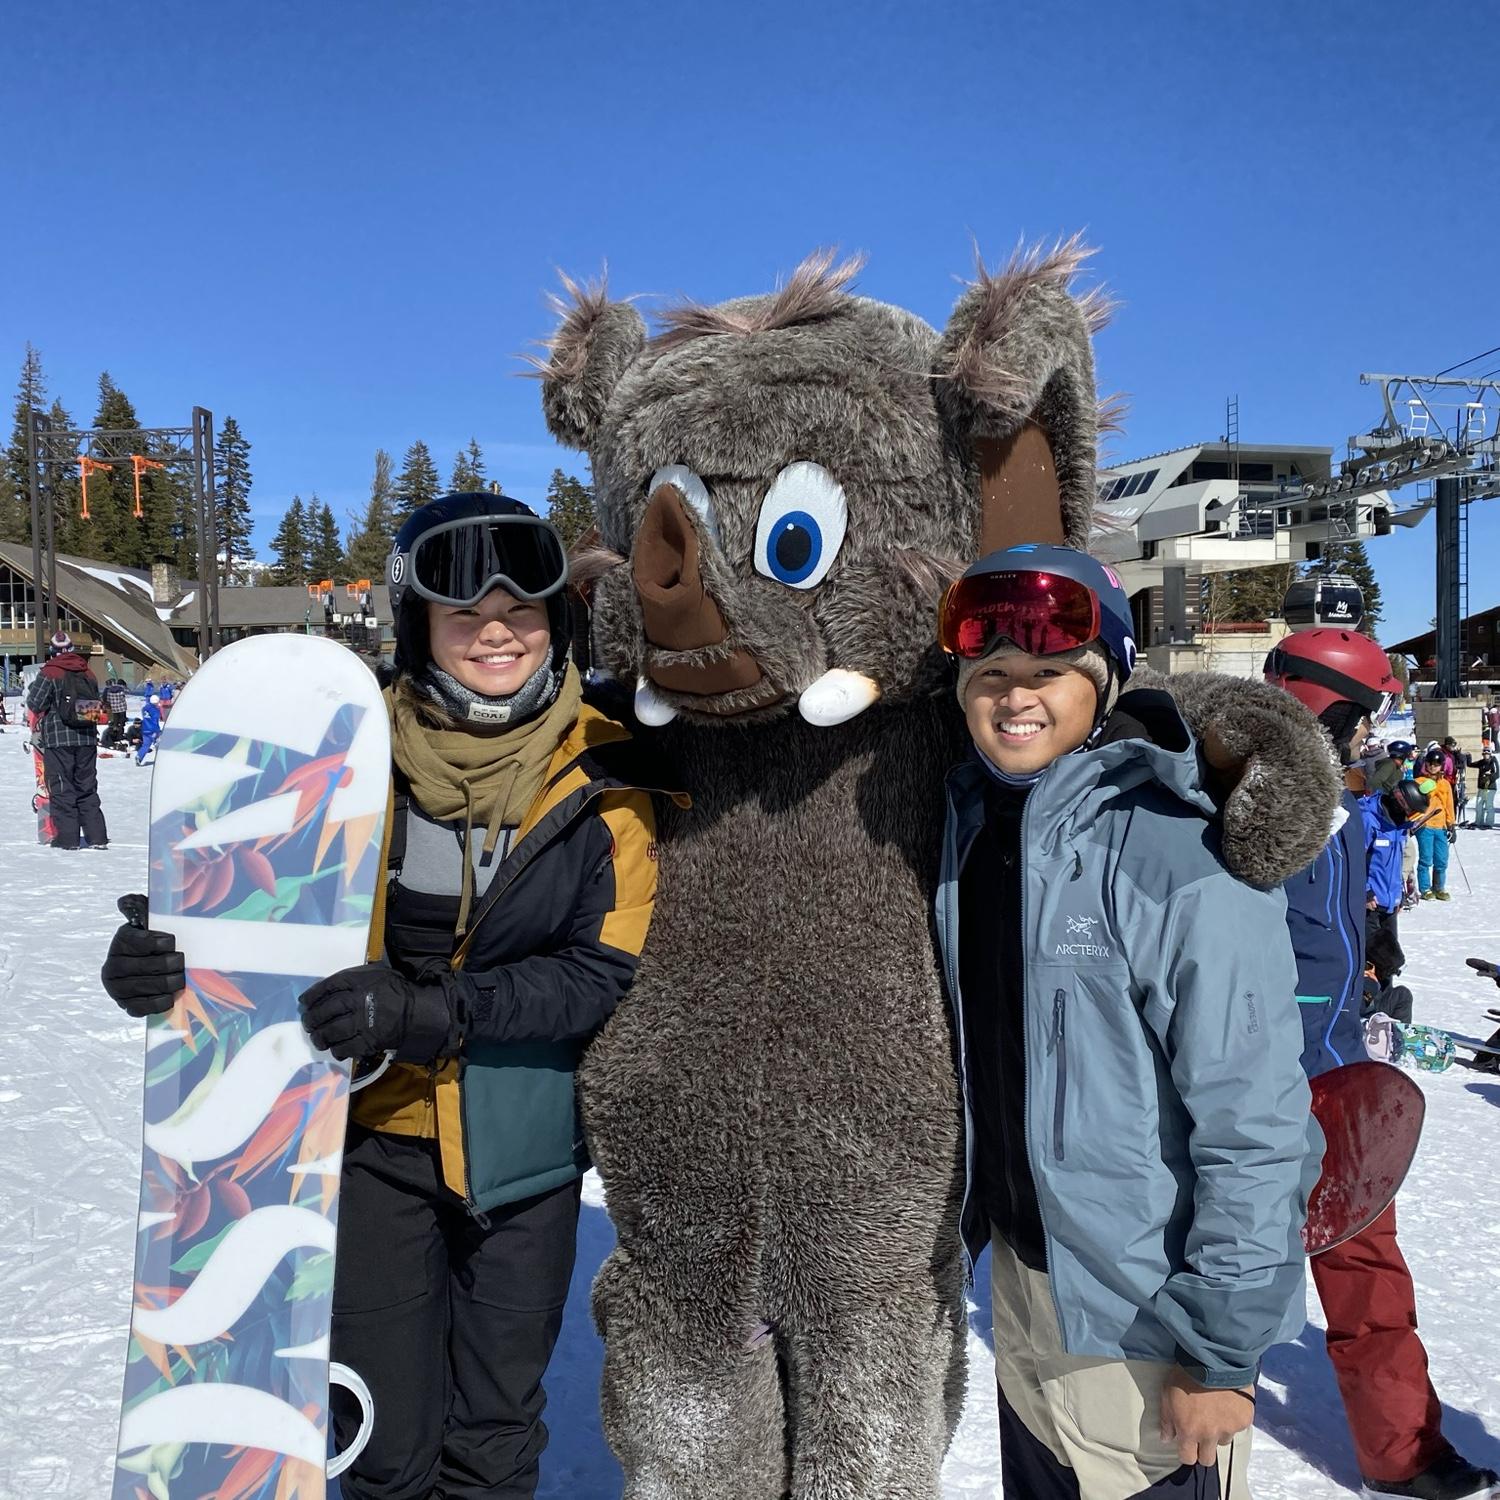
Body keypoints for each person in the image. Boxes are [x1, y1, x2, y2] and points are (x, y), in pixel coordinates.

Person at [99, 492, 664, 1499]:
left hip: (522, 1156)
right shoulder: (336, 761)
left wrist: (433, 1013)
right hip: (362, 1146)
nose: (497, 633)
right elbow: (263, 927)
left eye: (521, 613)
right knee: (381, 1441)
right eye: (465, 614)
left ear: (555, 624)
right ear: (418, 627)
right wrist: (172, 962)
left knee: (493, 1436)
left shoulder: (607, 776)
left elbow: (598, 973)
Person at [937, 545, 1320, 1500]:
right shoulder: (972, 831)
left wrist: (1221, 1353)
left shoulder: (1179, 857)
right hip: (1029, 1288)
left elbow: (1257, 1123)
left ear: (1106, 678)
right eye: (992, 671)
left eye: (1049, 673)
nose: (1015, 697)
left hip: (1150, 1320)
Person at [1265, 628, 1498, 1500]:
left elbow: (1336, 905)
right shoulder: (1240, 809)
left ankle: (1403, 1451)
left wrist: (1371, 953)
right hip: (1250, 1085)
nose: (1371, 736)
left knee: (1366, 1257)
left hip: (1338, 1074)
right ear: (1329, 710)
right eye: (1364, 718)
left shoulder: (1334, 802)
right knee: (1210, 1269)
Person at [25, 631, 109, 850]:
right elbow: (95, 704)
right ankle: (97, 837)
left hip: (58, 739)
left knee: (62, 787)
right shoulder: (87, 671)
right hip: (87, 738)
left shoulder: (50, 672)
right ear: (72, 649)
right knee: (87, 787)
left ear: (52, 651)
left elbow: (35, 703)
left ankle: (68, 839)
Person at [1414, 749, 1456, 900]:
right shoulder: (1419, 782)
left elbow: (1449, 805)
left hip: (1441, 826)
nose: (1433, 767)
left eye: (1437, 764)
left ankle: (1439, 888)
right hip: (1425, 825)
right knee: (1426, 859)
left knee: (1441, 860)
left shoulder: (1445, 784)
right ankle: (1425, 888)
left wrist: (1451, 824)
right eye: (1430, 764)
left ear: (1441, 766)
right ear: (1426, 764)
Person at [1470, 735, 1495, 830]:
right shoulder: (1481, 762)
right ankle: (1478, 821)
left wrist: (1489, 777)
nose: (1485, 755)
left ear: (1490, 754)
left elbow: (1497, 773)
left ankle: (1489, 823)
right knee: (1479, 805)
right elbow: (1470, 764)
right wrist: (1467, 757)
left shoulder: (1493, 761)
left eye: (1487, 753)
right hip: (1481, 787)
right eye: (1484, 753)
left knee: (1488, 805)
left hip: (1490, 788)